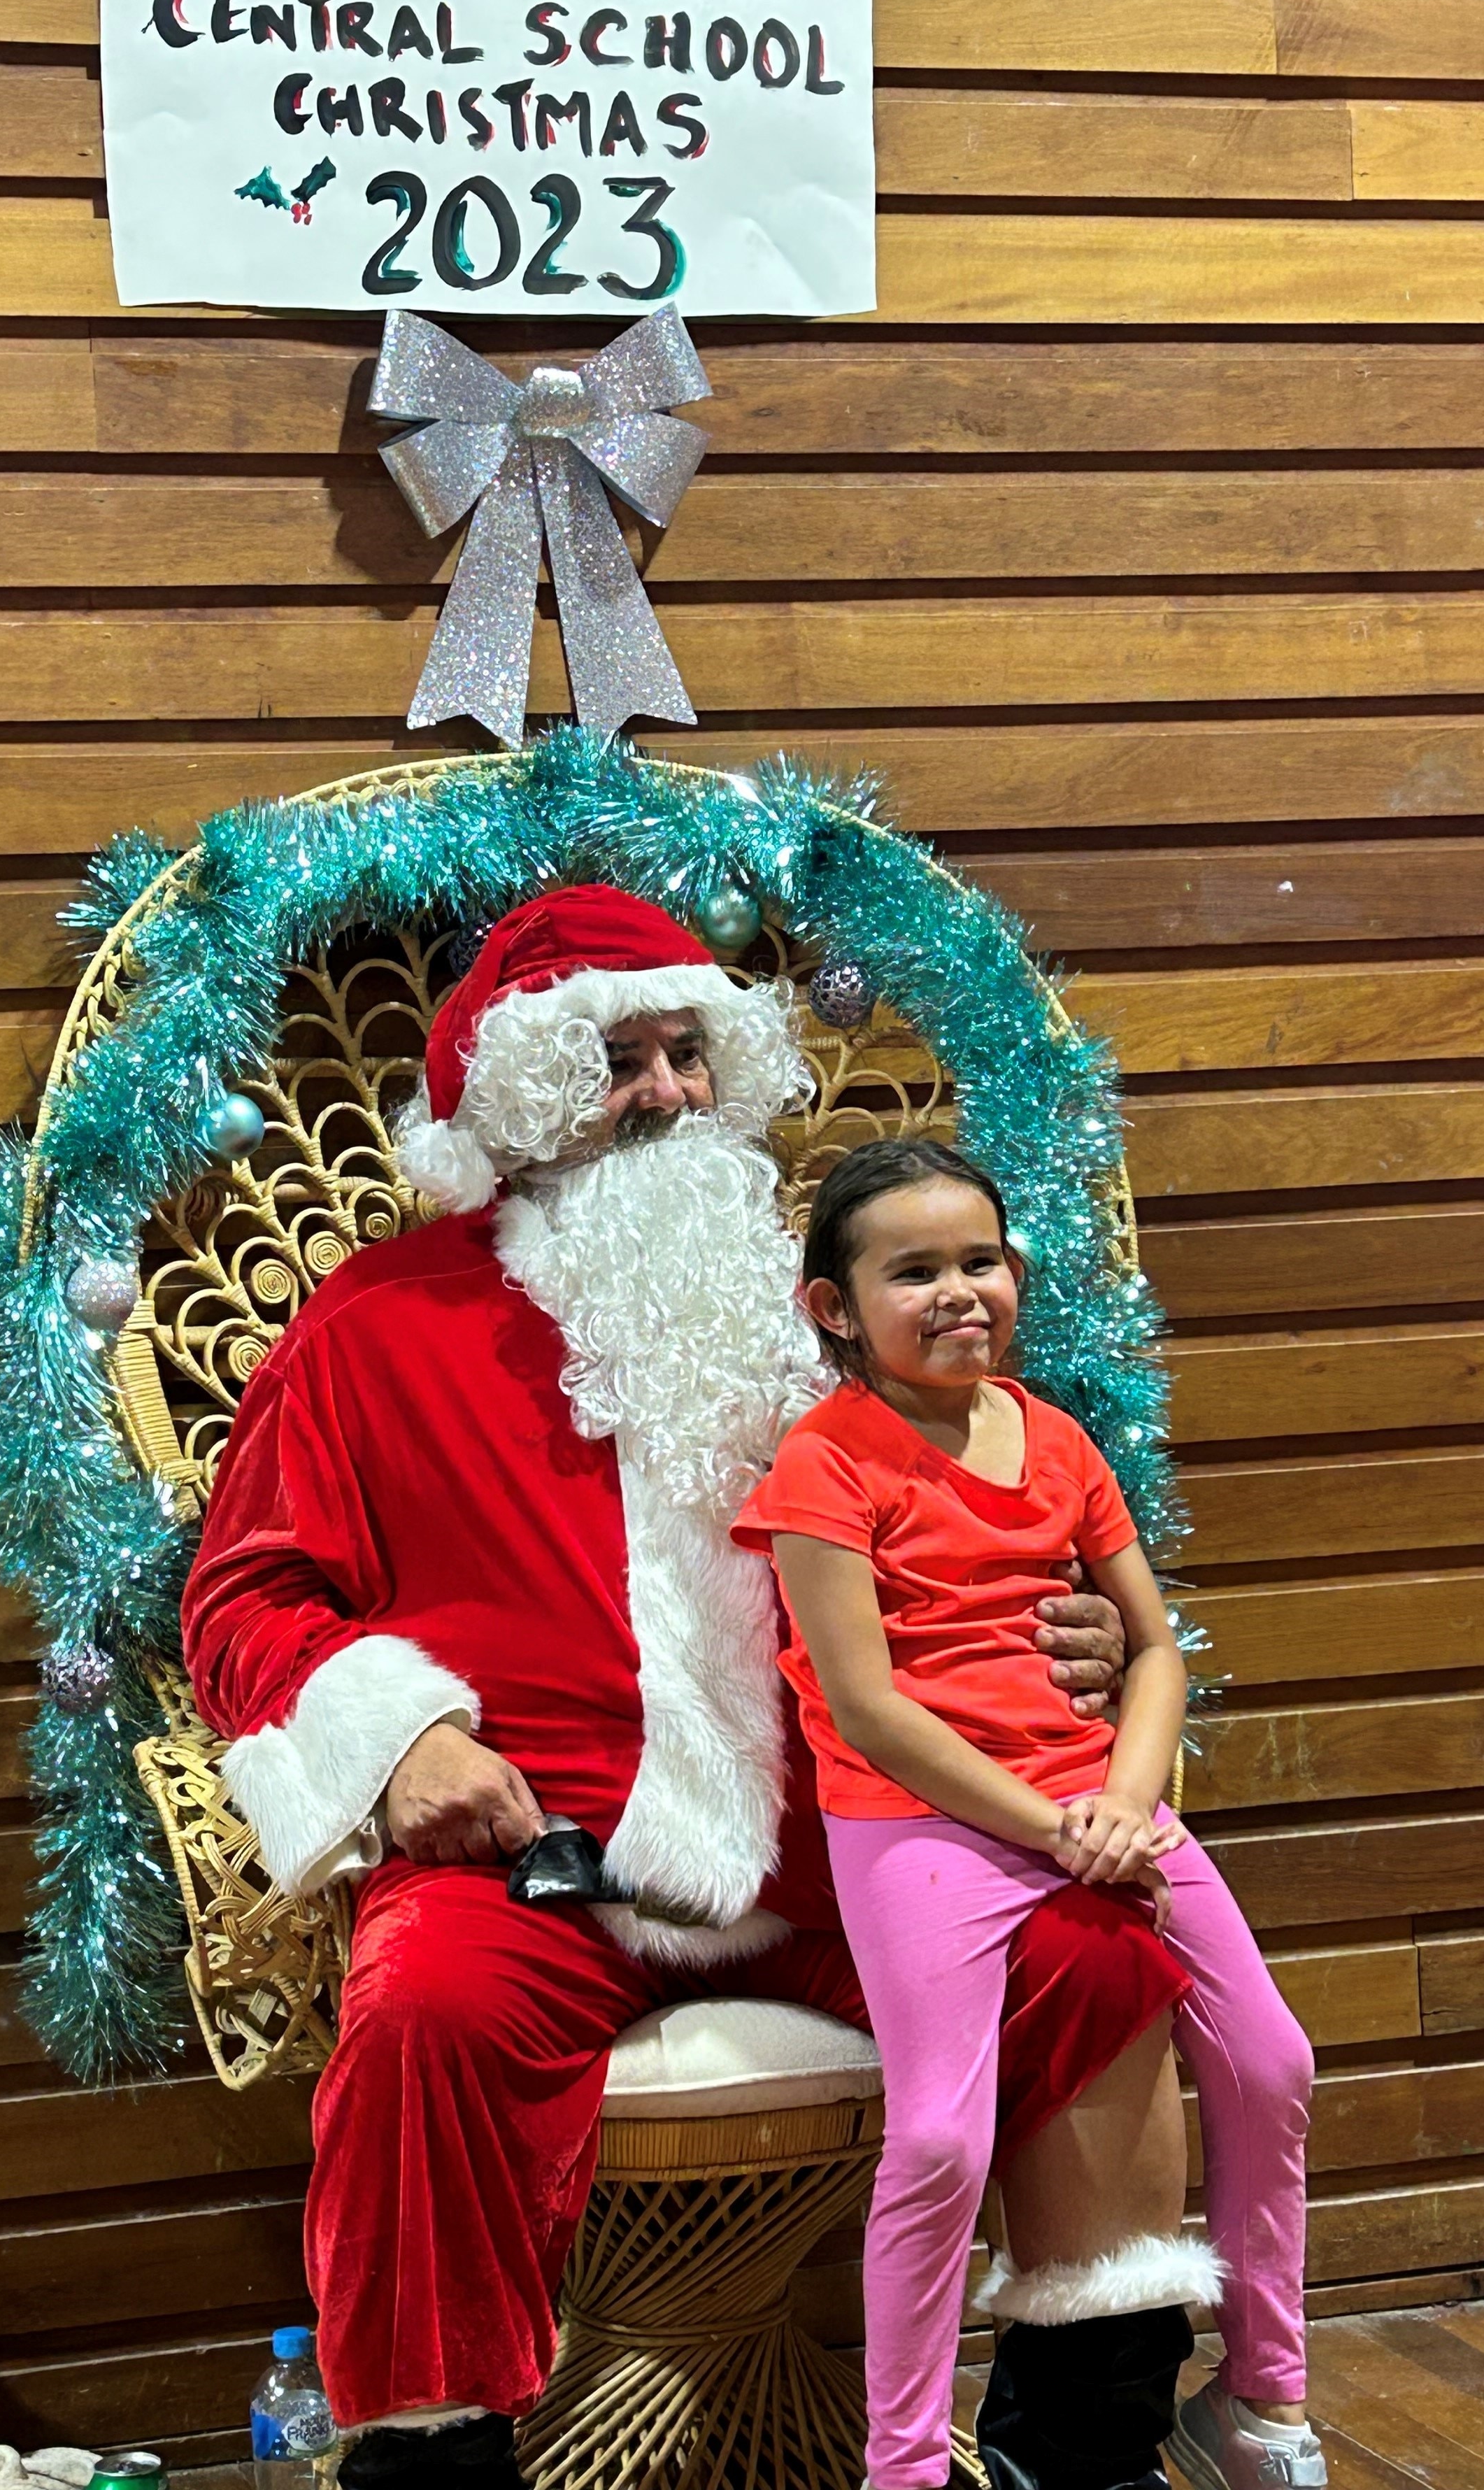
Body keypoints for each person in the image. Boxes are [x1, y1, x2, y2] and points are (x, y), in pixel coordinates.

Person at [181, 885, 1187, 2490]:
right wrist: (400, 1743)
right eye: (614, 1058)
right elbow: (245, 1598)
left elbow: (996, 1521)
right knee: (418, 2016)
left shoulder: (828, 1325)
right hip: (530, 1857)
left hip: (847, 1844)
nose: (664, 1093)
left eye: (688, 1052)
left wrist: (1057, 1633)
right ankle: (433, 2464)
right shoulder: (374, 1331)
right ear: (515, 1096)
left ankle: (1088, 2434)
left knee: (1089, 1949)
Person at [732, 1137, 1324, 2490]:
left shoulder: (1056, 1440)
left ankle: (1260, 2396)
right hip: (917, 1826)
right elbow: (870, 1709)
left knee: (1273, 2061)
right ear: (834, 1308)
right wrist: (1056, 1831)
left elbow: (1156, 1649)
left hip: (1092, 1805)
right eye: (915, 1271)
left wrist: (1122, 1802)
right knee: (942, 2136)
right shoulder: (827, 1462)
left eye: (981, 1261)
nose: (959, 1292)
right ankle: (905, 2469)